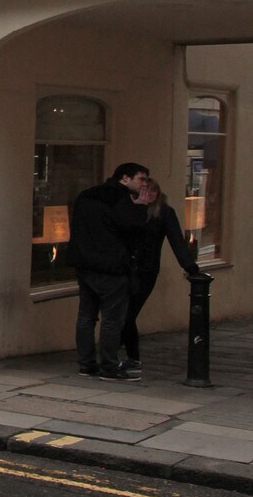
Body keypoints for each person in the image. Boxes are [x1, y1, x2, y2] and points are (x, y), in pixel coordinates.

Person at [68, 160, 150, 379]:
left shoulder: (87, 196)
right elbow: (133, 229)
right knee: (112, 319)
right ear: (125, 178)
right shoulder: (120, 199)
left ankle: (86, 363)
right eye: (141, 179)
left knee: (86, 316)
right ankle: (110, 366)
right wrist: (141, 208)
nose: (144, 185)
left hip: (85, 264)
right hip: (111, 267)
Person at [122, 176, 206, 378]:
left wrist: (190, 267)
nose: (148, 195)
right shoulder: (130, 208)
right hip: (124, 269)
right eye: (144, 190)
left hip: (146, 271)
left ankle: (130, 358)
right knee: (121, 314)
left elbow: (176, 240)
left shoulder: (165, 213)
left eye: (152, 191)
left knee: (128, 314)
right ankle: (118, 356)